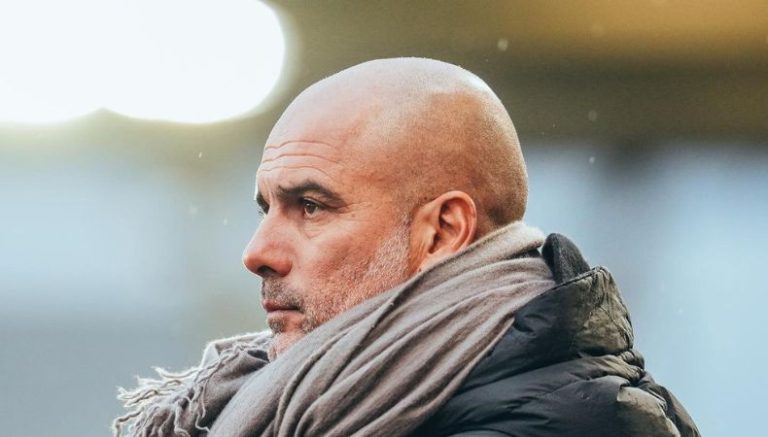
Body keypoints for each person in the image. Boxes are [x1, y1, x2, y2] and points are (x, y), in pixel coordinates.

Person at [114, 58, 700, 436]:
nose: (257, 252)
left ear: (443, 232)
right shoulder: (305, 401)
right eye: (267, 209)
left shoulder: (580, 426)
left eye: (310, 206)